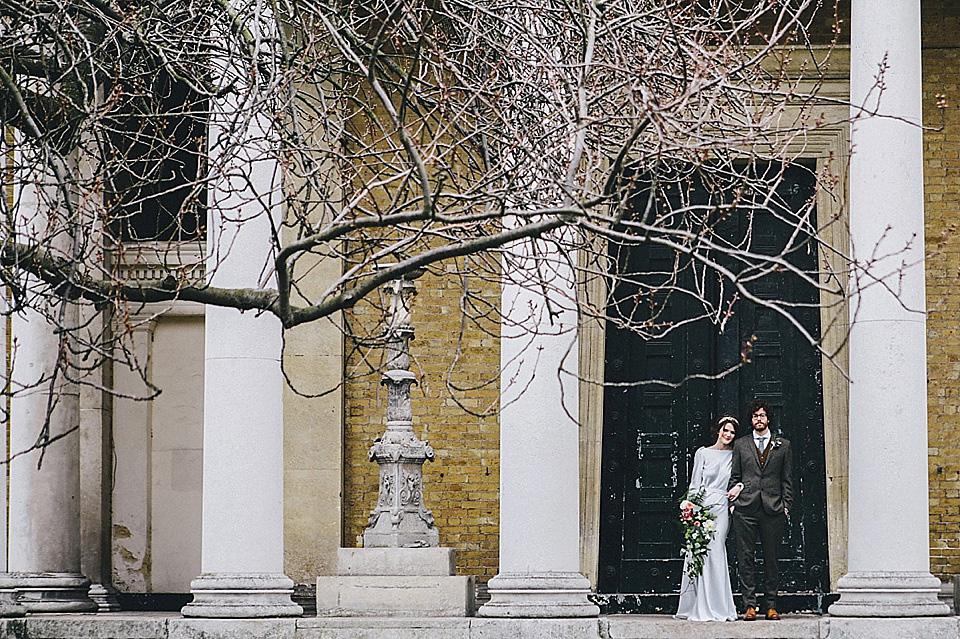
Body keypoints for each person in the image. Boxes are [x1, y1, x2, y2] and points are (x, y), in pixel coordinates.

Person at [728, 399, 794, 621]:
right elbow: (735, 476)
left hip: (773, 508)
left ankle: (771, 605)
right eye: (755, 416)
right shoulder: (741, 444)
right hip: (745, 508)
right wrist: (733, 503)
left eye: (762, 415)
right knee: (746, 557)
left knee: (771, 558)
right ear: (751, 419)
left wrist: (786, 506)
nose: (759, 419)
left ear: (768, 419)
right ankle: (749, 605)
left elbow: (787, 479)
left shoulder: (783, 445)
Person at [675, 416, 739, 622]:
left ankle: (720, 606)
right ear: (718, 431)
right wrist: (691, 508)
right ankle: (697, 604)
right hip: (702, 505)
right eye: (725, 430)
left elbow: (743, 478)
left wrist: (739, 489)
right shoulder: (702, 453)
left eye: (732, 432)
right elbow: (695, 483)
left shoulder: (735, 455)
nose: (728, 435)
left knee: (716, 551)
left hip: (721, 506)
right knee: (698, 552)